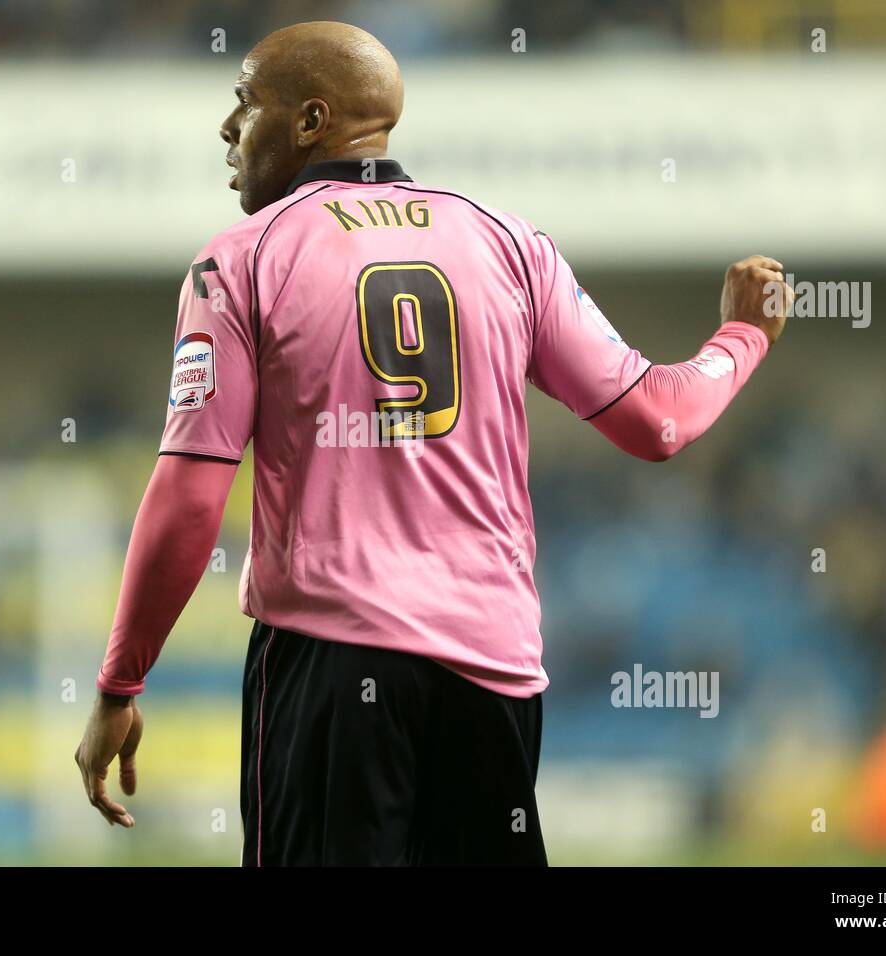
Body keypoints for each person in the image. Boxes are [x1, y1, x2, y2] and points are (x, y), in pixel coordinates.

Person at [74, 20, 791, 865]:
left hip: (333, 669)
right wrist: (742, 337)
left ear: (310, 122)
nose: (228, 129)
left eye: (244, 103)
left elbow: (192, 498)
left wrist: (120, 683)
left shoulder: (238, 263)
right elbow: (657, 419)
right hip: (492, 678)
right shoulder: (511, 245)